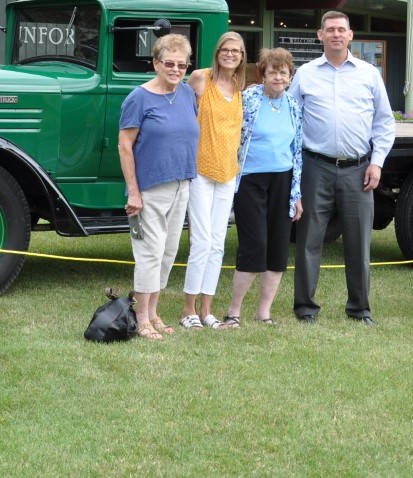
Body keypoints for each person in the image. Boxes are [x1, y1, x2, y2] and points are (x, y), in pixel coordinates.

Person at [289, 11, 395, 326]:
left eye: (341, 30)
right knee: (309, 239)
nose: (336, 34)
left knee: (358, 241)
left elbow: (384, 122)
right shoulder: (305, 74)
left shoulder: (369, 74)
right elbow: (292, 121)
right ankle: (305, 308)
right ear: (320, 35)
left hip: (359, 170)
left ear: (350, 35)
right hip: (315, 166)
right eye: (330, 29)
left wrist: (377, 162)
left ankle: (359, 309)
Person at [119, 33, 199, 340]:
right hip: (150, 188)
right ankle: (141, 319)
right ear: (155, 63)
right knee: (149, 252)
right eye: (169, 63)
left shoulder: (188, 94)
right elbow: (125, 146)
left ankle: (154, 311)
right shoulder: (138, 98)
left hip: (182, 184)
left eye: (182, 64)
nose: (176, 69)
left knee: (168, 252)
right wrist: (134, 191)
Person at [223, 48, 303, 328]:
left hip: (283, 181)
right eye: (273, 72)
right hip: (250, 180)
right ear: (263, 74)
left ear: (290, 76)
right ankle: (233, 312)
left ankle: (264, 313)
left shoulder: (293, 105)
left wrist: (297, 194)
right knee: (254, 245)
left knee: (278, 249)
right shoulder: (248, 100)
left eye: (284, 72)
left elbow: (297, 151)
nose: (279, 77)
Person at [179, 32, 248, 330]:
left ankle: (207, 311)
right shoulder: (200, 79)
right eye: (225, 49)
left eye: (236, 51)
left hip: (228, 173)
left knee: (218, 244)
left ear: (242, 57)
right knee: (202, 241)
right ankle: (188, 310)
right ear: (217, 52)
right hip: (200, 171)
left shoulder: (239, 87)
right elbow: (178, 108)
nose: (230, 54)